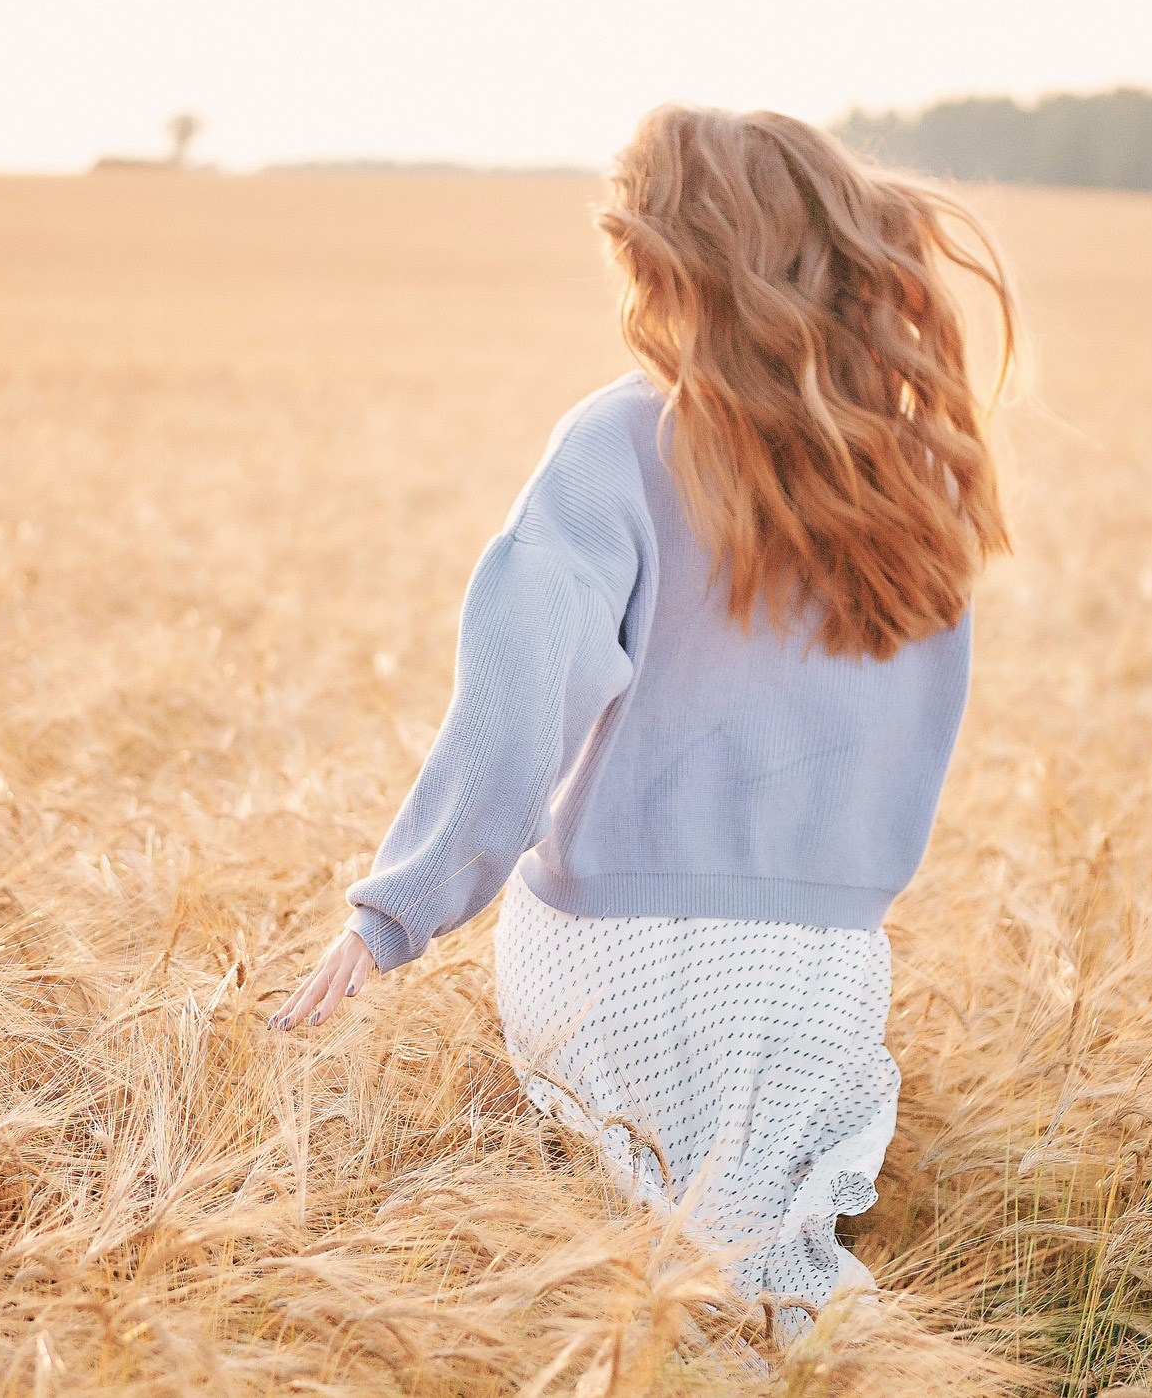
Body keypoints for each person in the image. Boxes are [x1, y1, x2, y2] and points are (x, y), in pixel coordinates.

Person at [269, 103, 1017, 1337]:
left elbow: (517, 700)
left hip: (612, 953)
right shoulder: (916, 473)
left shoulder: (620, 438)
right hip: (821, 969)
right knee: (778, 1278)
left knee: (648, 1277)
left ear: (670, 264)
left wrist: (396, 905)